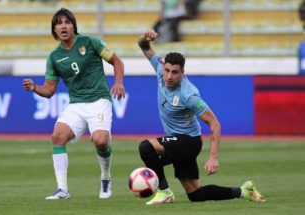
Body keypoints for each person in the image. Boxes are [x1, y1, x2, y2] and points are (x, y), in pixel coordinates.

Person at [137, 29, 265, 205]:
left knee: (146, 147)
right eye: (167, 70)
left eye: (175, 72)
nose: (169, 76)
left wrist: (213, 157)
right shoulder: (160, 68)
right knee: (195, 194)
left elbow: (214, 123)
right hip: (177, 141)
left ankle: (164, 191)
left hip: (189, 141)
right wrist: (145, 38)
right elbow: (143, 46)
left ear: (183, 73)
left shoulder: (189, 95)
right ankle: (243, 191)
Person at [23, 8, 125, 200]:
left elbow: (117, 62)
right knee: (57, 136)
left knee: (101, 141)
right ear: (54, 29)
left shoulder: (90, 42)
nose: (63, 26)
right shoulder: (54, 57)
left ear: (73, 26)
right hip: (76, 104)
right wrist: (35, 87)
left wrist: (118, 83)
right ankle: (62, 189)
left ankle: (105, 177)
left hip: (99, 101)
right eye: (59, 23)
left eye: (67, 22)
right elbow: (49, 90)